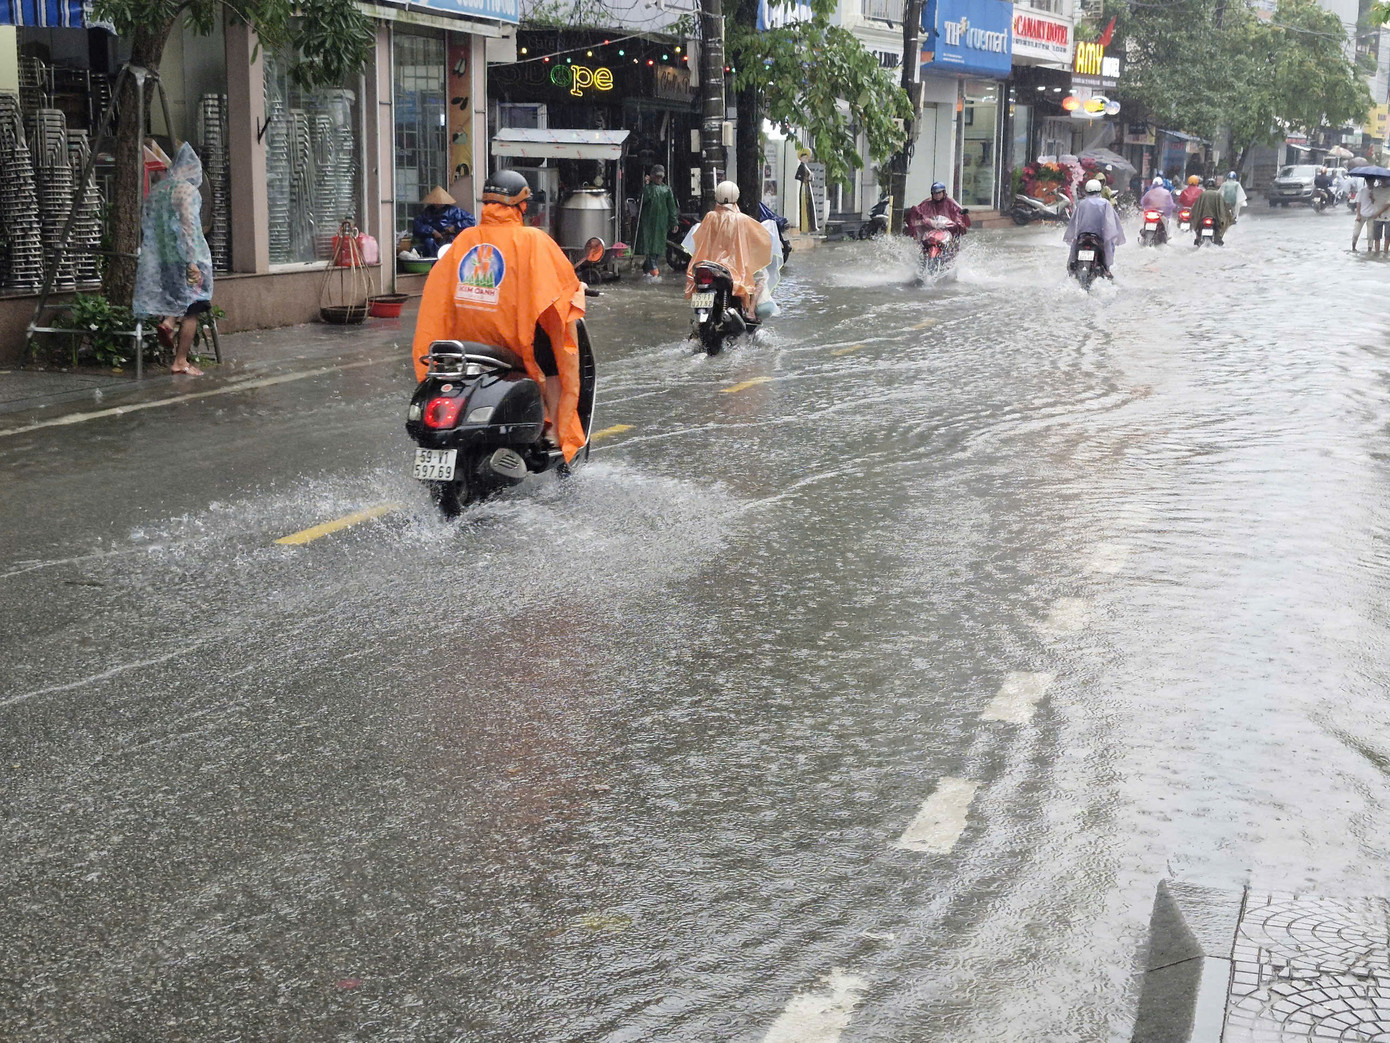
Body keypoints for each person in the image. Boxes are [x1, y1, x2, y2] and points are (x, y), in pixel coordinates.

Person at [411, 169, 587, 462]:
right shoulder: (533, 240)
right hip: (514, 340)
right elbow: (560, 285)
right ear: (521, 206)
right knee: (555, 361)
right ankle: (556, 430)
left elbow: (439, 292)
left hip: (466, 343)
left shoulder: (465, 240)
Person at [133, 142, 214, 376]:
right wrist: (192, 262)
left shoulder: (160, 191)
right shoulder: (187, 192)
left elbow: (150, 224)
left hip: (164, 258)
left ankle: (168, 322)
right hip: (186, 257)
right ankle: (180, 361)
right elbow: (189, 228)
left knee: (176, 298)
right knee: (192, 309)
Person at [685, 180, 774, 319]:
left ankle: (698, 323)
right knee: (762, 277)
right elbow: (761, 239)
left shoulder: (710, 217)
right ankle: (750, 311)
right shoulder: (742, 219)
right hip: (734, 267)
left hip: (709, 264)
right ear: (736, 196)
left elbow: (700, 240)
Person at [1064, 178, 1126, 275]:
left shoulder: (1081, 204)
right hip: (1098, 237)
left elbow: (1074, 222)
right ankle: (1107, 269)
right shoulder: (1105, 203)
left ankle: (1071, 268)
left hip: (1082, 237)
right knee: (1109, 246)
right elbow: (1111, 223)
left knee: (1074, 248)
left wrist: (1074, 235)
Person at [635, 164, 679, 278]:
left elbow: (672, 207)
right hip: (647, 223)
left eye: (661, 177)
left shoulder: (667, 190)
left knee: (658, 247)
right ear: (652, 176)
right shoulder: (647, 189)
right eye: (657, 176)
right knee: (648, 246)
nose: (659, 179)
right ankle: (652, 269)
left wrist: (674, 222)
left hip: (661, 223)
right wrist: (646, 185)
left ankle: (649, 268)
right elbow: (642, 201)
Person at [412, 186, 475, 259]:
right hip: (432, 241)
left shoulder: (454, 211)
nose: (438, 204)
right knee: (429, 242)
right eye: (436, 202)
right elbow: (417, 224)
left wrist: (455, 227)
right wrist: (432, 231)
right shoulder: (427, 212)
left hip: (449, 239)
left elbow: (471, 220)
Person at [905, 182, 972, 241]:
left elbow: (958, 213)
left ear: (944, 192)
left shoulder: (950, 202)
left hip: (948, 230)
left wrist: (958, 221)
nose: (937, 195)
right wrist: (920, 220)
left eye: (939, 193)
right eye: (935, 193)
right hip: (930, 230)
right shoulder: (926, 203)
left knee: (955, 240)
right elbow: (918, 212)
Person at [1188, 177, 1233, 245]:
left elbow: (1196, 207)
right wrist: (1230, 218)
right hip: (1215, 218)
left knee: (1198, 229)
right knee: (1220, 229)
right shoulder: (1218, 195)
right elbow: (1224, 208)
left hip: (1202, 217)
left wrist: (1192, 215)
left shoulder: (1203, 194)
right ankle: (1219, 238)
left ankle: (1198, 238)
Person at [1353, 177, 1389, 252]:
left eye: (1371, 181)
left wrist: (1372, 198)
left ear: (1374, 181)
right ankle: (1353, 248)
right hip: (1364, 215)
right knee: (1356, 233)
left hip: (1374, 216)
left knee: (1371, 236)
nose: (1370, 183)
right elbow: (1359, 203)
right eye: (1368, 181)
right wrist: (1358, 215)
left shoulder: (1378, 190)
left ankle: (1371, 251)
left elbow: (1378, 202)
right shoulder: (1363, 191)